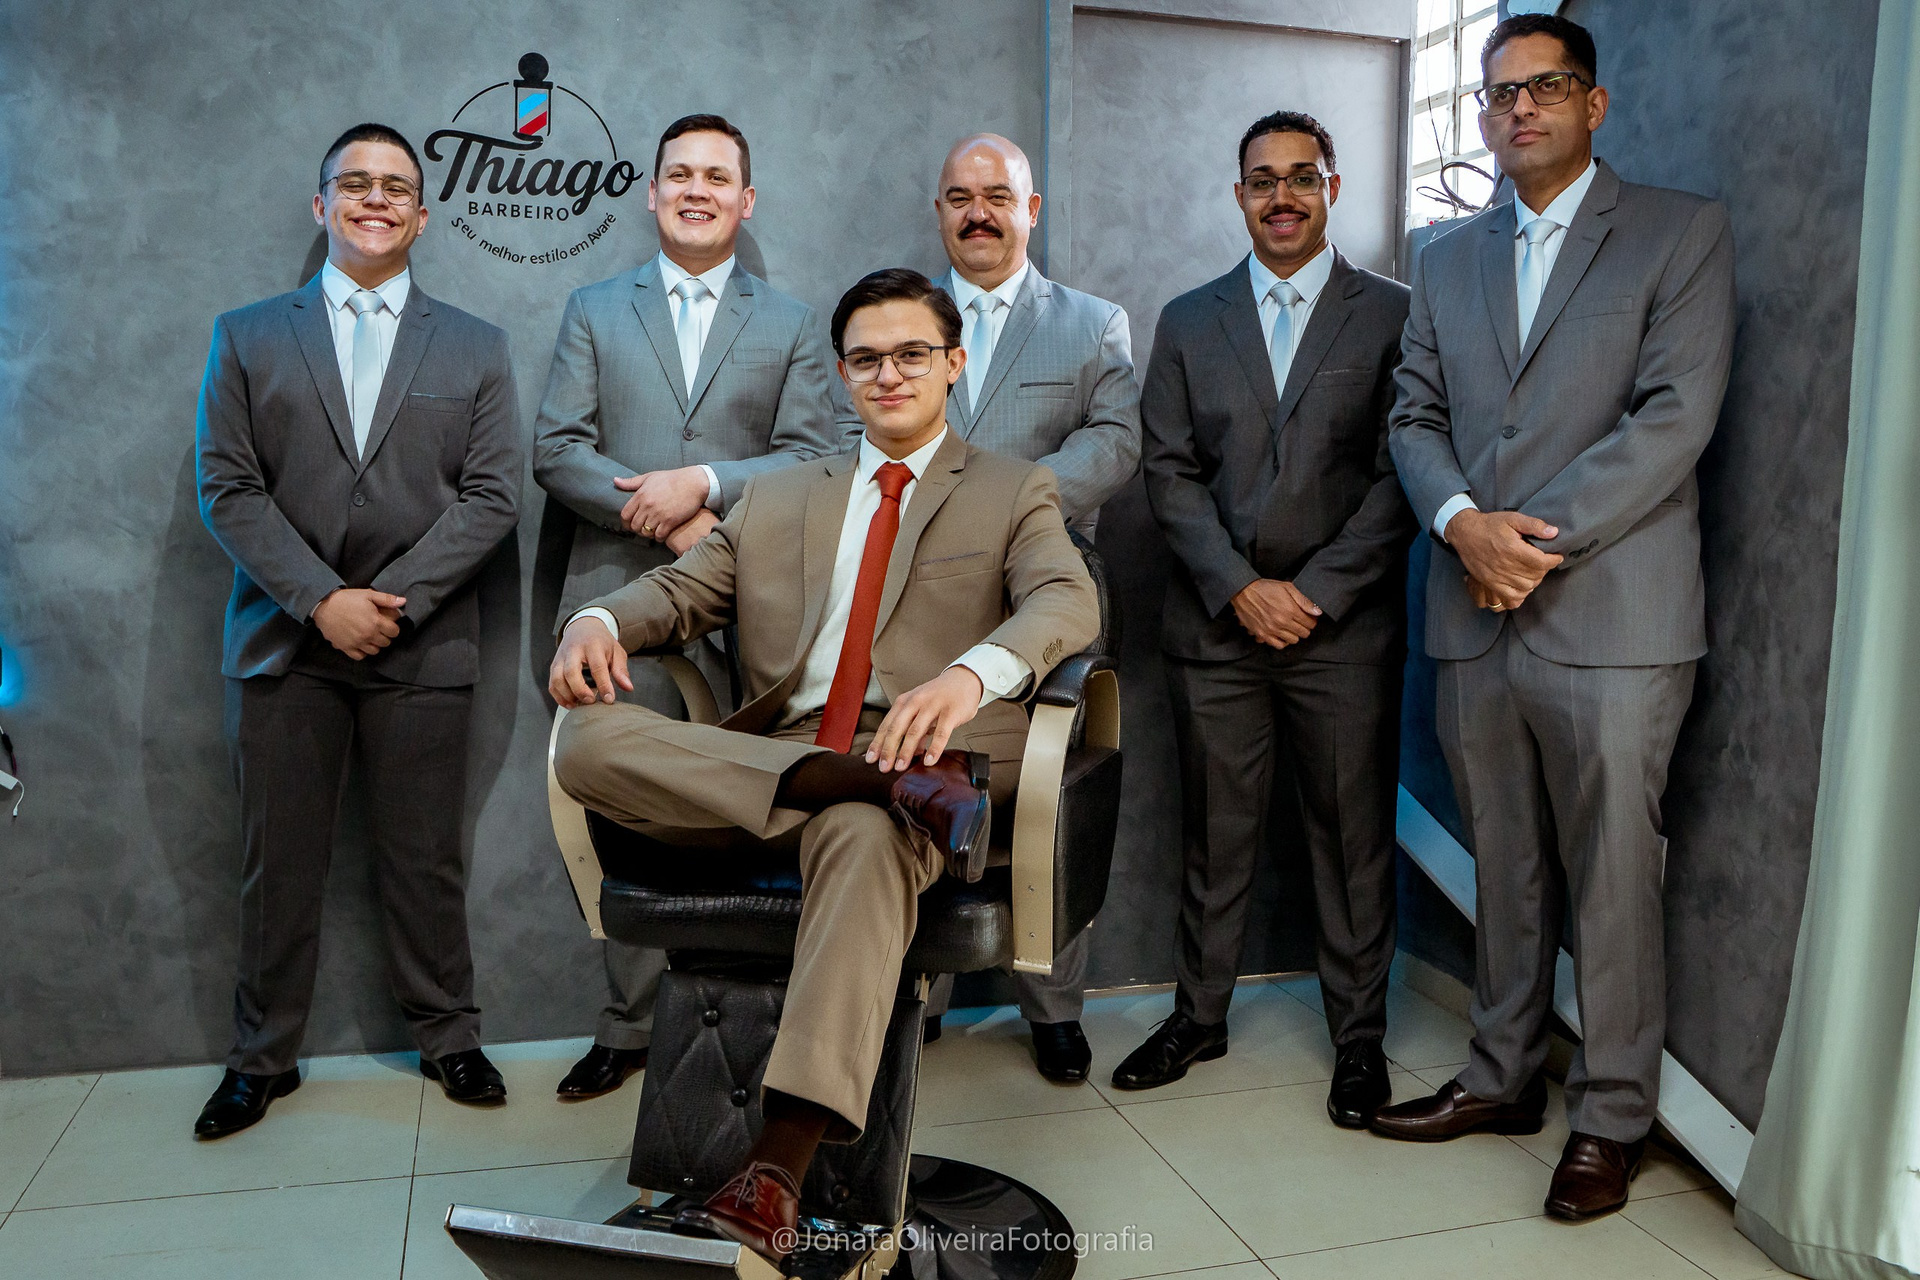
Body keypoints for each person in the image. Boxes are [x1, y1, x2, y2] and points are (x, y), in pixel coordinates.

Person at [547, 268, 1099, 1261]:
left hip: (923, 745)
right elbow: (675, 594)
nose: (889, 374)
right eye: (867, 358)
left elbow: (1066, 600)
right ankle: (872, 788)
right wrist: (595, 618)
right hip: (800, 762)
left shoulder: (1012, 489)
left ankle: (777, 1166)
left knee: (862, 830)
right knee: (588, 736)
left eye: (912, 354)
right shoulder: (779, 495)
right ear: (843, 374)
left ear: (953, 363)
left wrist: (968, 677)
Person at [1373, 14, 1735, 1223]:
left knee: (1616, 876)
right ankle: (1500, 1076)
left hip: (1616, 620)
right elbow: (1414, 416)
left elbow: (1674, 418)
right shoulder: (1444, 257)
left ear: (1594, 104)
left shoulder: (1680, 232)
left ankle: (1613, 1116)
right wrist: (1459, 521)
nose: (1518, 107)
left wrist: (1519, 542)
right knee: (1507, 862)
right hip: (1470, 611)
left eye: (1546, 86)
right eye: (1500, 92)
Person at [193, 123, 523, 1138]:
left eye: (396, 188)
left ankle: (449, 1036)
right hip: (284, 643)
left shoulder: (475, 344)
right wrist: (320, 599)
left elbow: (493, 494)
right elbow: (229, 487)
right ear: (321, 204)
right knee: (277, 865)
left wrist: (391, 601)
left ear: (422, 217)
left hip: (423, 643)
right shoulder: (247, 335)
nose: (375, 198)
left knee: (425, 859)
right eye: (355, 183)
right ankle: (261, 1057)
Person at [532, 113, 854, 1101]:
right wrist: (661, 513)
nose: (697, 189)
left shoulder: (792, 322)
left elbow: (816, 454)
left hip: (755, 608)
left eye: (717, 176)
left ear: (746, 200)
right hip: (615, 597)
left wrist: (705, 486)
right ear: (652, 192)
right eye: (680, 174)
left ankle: (758, 1021)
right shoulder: (594, 309)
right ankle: (631, 1024)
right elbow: (557, 448)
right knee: (622, 802)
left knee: (751, 804)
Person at [1120, 112, 1414, 1127]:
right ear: (1238, 194)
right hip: (1217, 631)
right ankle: (1197, 1017)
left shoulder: (1393, 314)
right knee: (1215, 833)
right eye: (1262, 180)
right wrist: (1241, 587)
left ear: (1332, 186)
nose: (1281, 196)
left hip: (1344, 634)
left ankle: (1359, 1041)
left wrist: (1317, 591)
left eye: (1301, 177)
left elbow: (1402, 469)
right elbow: (1167, 471)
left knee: (1352, 840)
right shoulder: (1187, 320)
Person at [921, 132, 1142, 1081]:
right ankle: (915, 993)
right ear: (941, 212)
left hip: (1052, 585)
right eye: (960, 197)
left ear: (1031, 210)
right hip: (920, 590)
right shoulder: (904, 319)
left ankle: (1052, 1008)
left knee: (1051, 790)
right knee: (920, 777)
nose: (979, 213)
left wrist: (1008, 504)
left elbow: (1117, 441)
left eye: (998, 196)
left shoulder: (1092, 324)